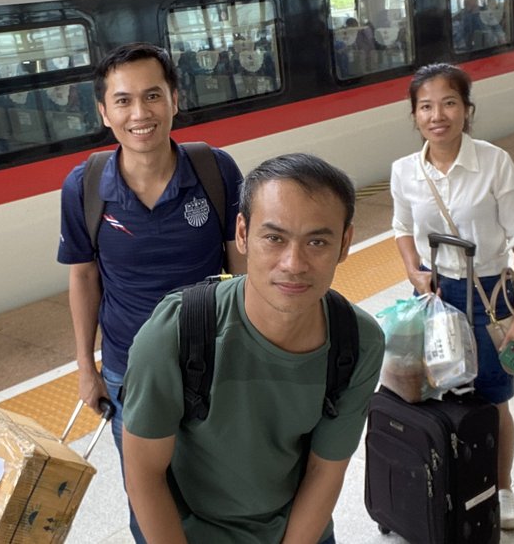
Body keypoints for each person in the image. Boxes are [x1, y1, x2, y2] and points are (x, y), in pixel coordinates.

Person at [121, 153, 383, 544]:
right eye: (274, 238)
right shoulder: (175, 334)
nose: (294, 264)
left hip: (295, 529)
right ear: (242, 234)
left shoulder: (358, 342)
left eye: (317, 241)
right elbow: (144, 474)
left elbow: (324, 471)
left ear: (345, 243)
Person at [57, 42, 245, 542]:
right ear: (104, 112)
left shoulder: (216, 171)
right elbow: (83, 277)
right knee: (147, 500)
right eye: (123, 101)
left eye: (153, 96)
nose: (140, 114)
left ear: (175, 100)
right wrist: (86, 369)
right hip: (129, 373)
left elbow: (243, 268)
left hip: (213, 366)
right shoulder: (85, 185)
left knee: (221, 487)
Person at [388, 63, 514, 531]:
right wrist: (413, 270)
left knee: (494, 398)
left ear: (467, 110)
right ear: (414, 115)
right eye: (426, 106)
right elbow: (399, 228)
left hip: (491, 295)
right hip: (437, 296)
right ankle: (452, 479)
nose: (438, 115)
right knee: (438, 392)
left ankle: (503, 485)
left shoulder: (495, 162)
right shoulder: (404, 171)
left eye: (449, 103)